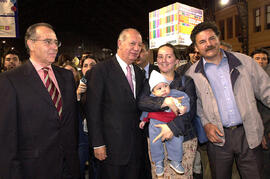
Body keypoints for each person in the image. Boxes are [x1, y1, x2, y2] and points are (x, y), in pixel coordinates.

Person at [186, 21, 268, 179]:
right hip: (218, 139)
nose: (208, 44)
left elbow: (266, 91)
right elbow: (196, 105)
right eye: (202, 42)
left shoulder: (245, 62)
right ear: (196, 47)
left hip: (248, 133)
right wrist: (205, 124)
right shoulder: (192, 74)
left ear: (218, 39)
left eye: (212, 38)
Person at [0, 22, 80, 179]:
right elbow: (7, 137)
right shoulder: (10, 80)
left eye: (56, 42)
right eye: (48, 42)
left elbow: (70, 122)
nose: (54, 47)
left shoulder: (66, 77)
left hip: (68, 166)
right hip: (33, 168)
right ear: (31, 44)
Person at [86, 28, 146, 179]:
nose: (136, 48)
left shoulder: (139, 73)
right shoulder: (100, 70)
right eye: (132, 43)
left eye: (139, 45)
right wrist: (98, 143)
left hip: (135, 148)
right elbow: (93, 110)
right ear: (120, 43)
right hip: (111, 148)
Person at [138, 43, 197, 178]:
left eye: (168, 56)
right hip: (155, 137)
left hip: (183, 138)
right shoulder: (149, 83)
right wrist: (164, 102)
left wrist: (172, 128)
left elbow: (191, 111)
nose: (163, 60)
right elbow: (142, 103)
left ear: (176, 61)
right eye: (160, 56)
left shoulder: (185, 82)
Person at [140, 70, 189, 176]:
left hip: (172, 123)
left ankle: (175, 161)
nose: (164, 90)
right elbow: (145, 108)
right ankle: (158, 162)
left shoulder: (175, 93)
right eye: (159, 88)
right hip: (155, 124)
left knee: (177, 140)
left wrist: (185, 107)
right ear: (153, 92)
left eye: (166, 86)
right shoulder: (151, 98)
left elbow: (185, 98)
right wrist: (143, 120)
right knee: (155, 143)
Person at [251, 48, 270, 179]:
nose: (261, 61)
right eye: (257, 58)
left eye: (264, 59)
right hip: (255, 129)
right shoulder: (246, 79)